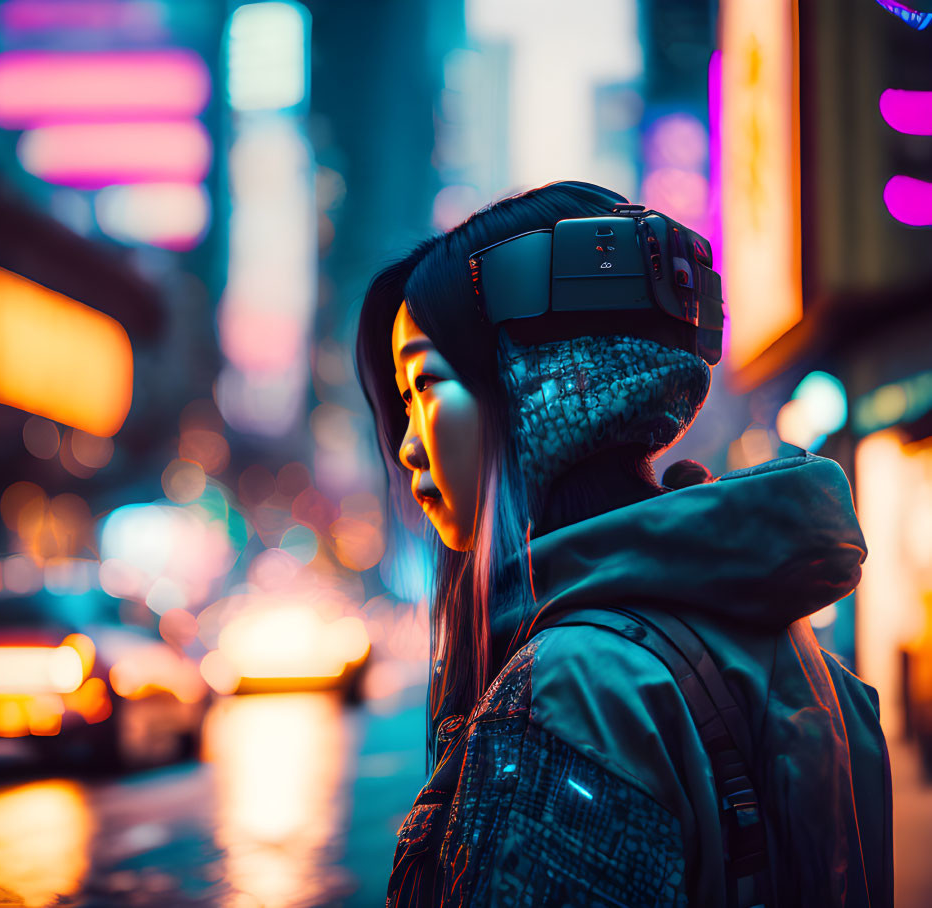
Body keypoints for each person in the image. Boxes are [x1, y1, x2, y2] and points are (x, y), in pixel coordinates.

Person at [355, 181, 892, 907]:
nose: (410, 445)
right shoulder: (797, 656)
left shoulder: (570, 689)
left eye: (426, 386)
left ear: (539, 388)